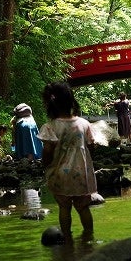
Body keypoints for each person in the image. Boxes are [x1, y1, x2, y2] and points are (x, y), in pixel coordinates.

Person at [39, 81, 98, 240]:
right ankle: (89, 237)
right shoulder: (84, 124)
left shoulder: (50, 126)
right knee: (83, 208)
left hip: (60, 174)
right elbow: (92, 146)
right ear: (71, 101)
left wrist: (44, 165)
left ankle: (67, 238)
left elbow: (48, 151)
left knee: (64, 207)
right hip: (81, 173)